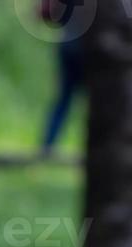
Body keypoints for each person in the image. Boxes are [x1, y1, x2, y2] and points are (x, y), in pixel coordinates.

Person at [39, 0, 87, 157]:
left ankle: (47, 147)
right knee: (95, 102)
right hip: (88, 49)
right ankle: (91, 148)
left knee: (63, 99)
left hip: (68, 44)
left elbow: (48, 15)